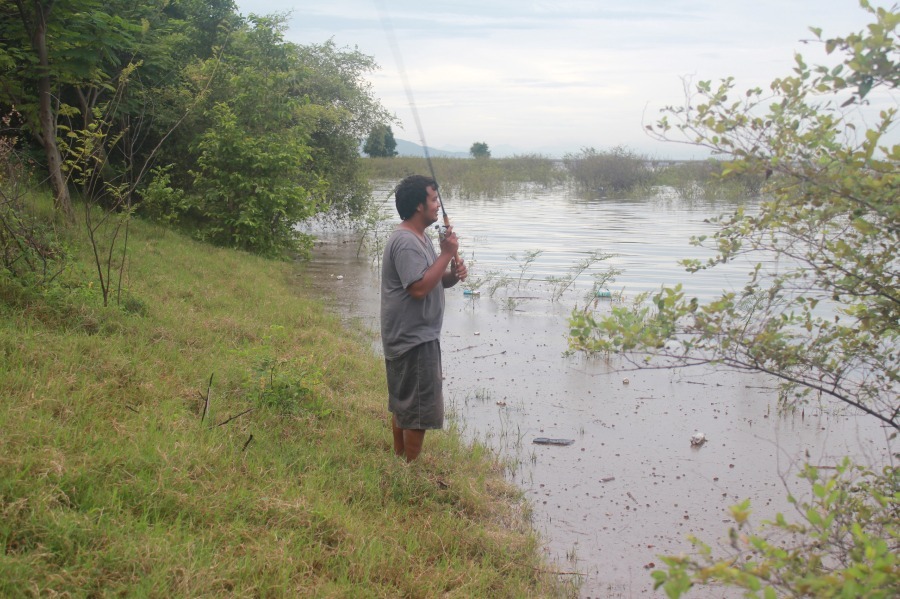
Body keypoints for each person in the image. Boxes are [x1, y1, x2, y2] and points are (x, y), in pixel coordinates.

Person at [380, 175, 467, 462]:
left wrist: (451, 273)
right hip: (413, 339)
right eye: (433, 199)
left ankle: (400, 464)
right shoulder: (405, 241)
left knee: (404, 405)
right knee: (416, 409)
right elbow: (417, 289)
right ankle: (409, 471)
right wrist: (446, 254)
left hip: (411, 336)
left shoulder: (421, 237)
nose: (437, 205)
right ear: (419, 206)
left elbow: (431, 281)